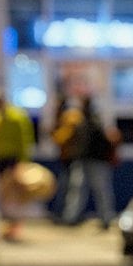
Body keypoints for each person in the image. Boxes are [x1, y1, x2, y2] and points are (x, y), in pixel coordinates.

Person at [62, 96, 118, 228]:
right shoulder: (78, 121)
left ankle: (106, 218)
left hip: (96, 161)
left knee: (101, 190)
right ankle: (71, 217)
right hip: (82, 160)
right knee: (77, 190)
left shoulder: (95, 121)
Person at [0, 89, 35, 241]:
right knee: (4, 194)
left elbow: (24, 139)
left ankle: (14, 226)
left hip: (13, 160)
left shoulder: (17, 117)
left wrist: (23, 161)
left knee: (14, 195)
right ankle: (7, 225)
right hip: (0, 160)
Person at [49, 94, 84, 223]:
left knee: (73, 189)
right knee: (65, 187)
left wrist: (54, 134)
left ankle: (70, 217)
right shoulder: (65, 116)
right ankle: (64, 215)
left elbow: (62, 137)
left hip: (74, 159)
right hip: (67, 159)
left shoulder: (71, 116)